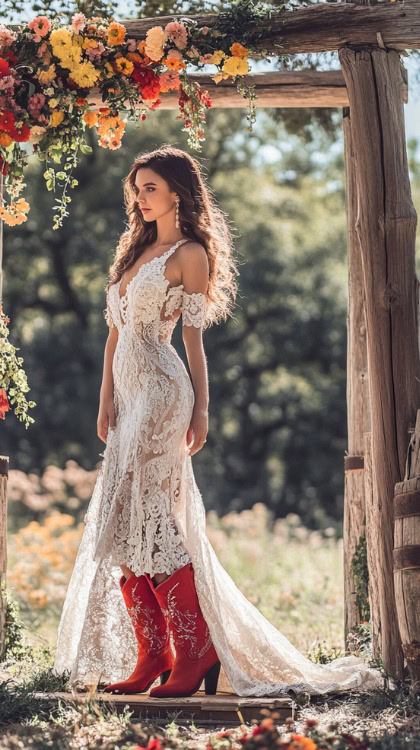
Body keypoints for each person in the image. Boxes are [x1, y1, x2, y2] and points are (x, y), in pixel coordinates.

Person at [53, 144, 383, 699]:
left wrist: (202, 409)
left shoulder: (189, 253)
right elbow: (113, 336)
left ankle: (195, 647)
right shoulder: (132, 252)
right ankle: (154, 653)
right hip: (128, 399)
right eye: (137, 188)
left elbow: (193, 342)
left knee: (153, 516)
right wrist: (104, 401)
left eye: (151, 187)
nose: (141, 197)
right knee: (124, 520)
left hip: (163, 393)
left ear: (178, 190)